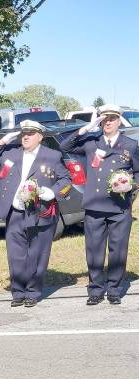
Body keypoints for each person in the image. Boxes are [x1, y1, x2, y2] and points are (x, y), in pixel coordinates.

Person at [0, 120, 72, 307]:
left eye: (31, 133)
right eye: (24, 133)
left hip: (40, 212)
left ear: (40, 136)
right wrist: (3, 140)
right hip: (15, 212)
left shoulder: (52, 156)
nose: (26, 136)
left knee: (37, 253)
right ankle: (18, 292)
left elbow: (66, 180)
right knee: (16, 254)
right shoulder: (12, 153)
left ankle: (32, 292)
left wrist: (53, 193)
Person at [60, 104, 139, 305]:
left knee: (118, 250)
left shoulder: (130, 144)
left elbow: (138, 172)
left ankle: (114, 288)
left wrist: (131, 187)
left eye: (112, 119)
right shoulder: (91, 142)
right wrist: (87, 127)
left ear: (119, 121)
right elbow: (64, 147)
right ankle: (95, 289)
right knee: (94, 249)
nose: (108, 122)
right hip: (95, 206)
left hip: (119, 207)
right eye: (104, 119)